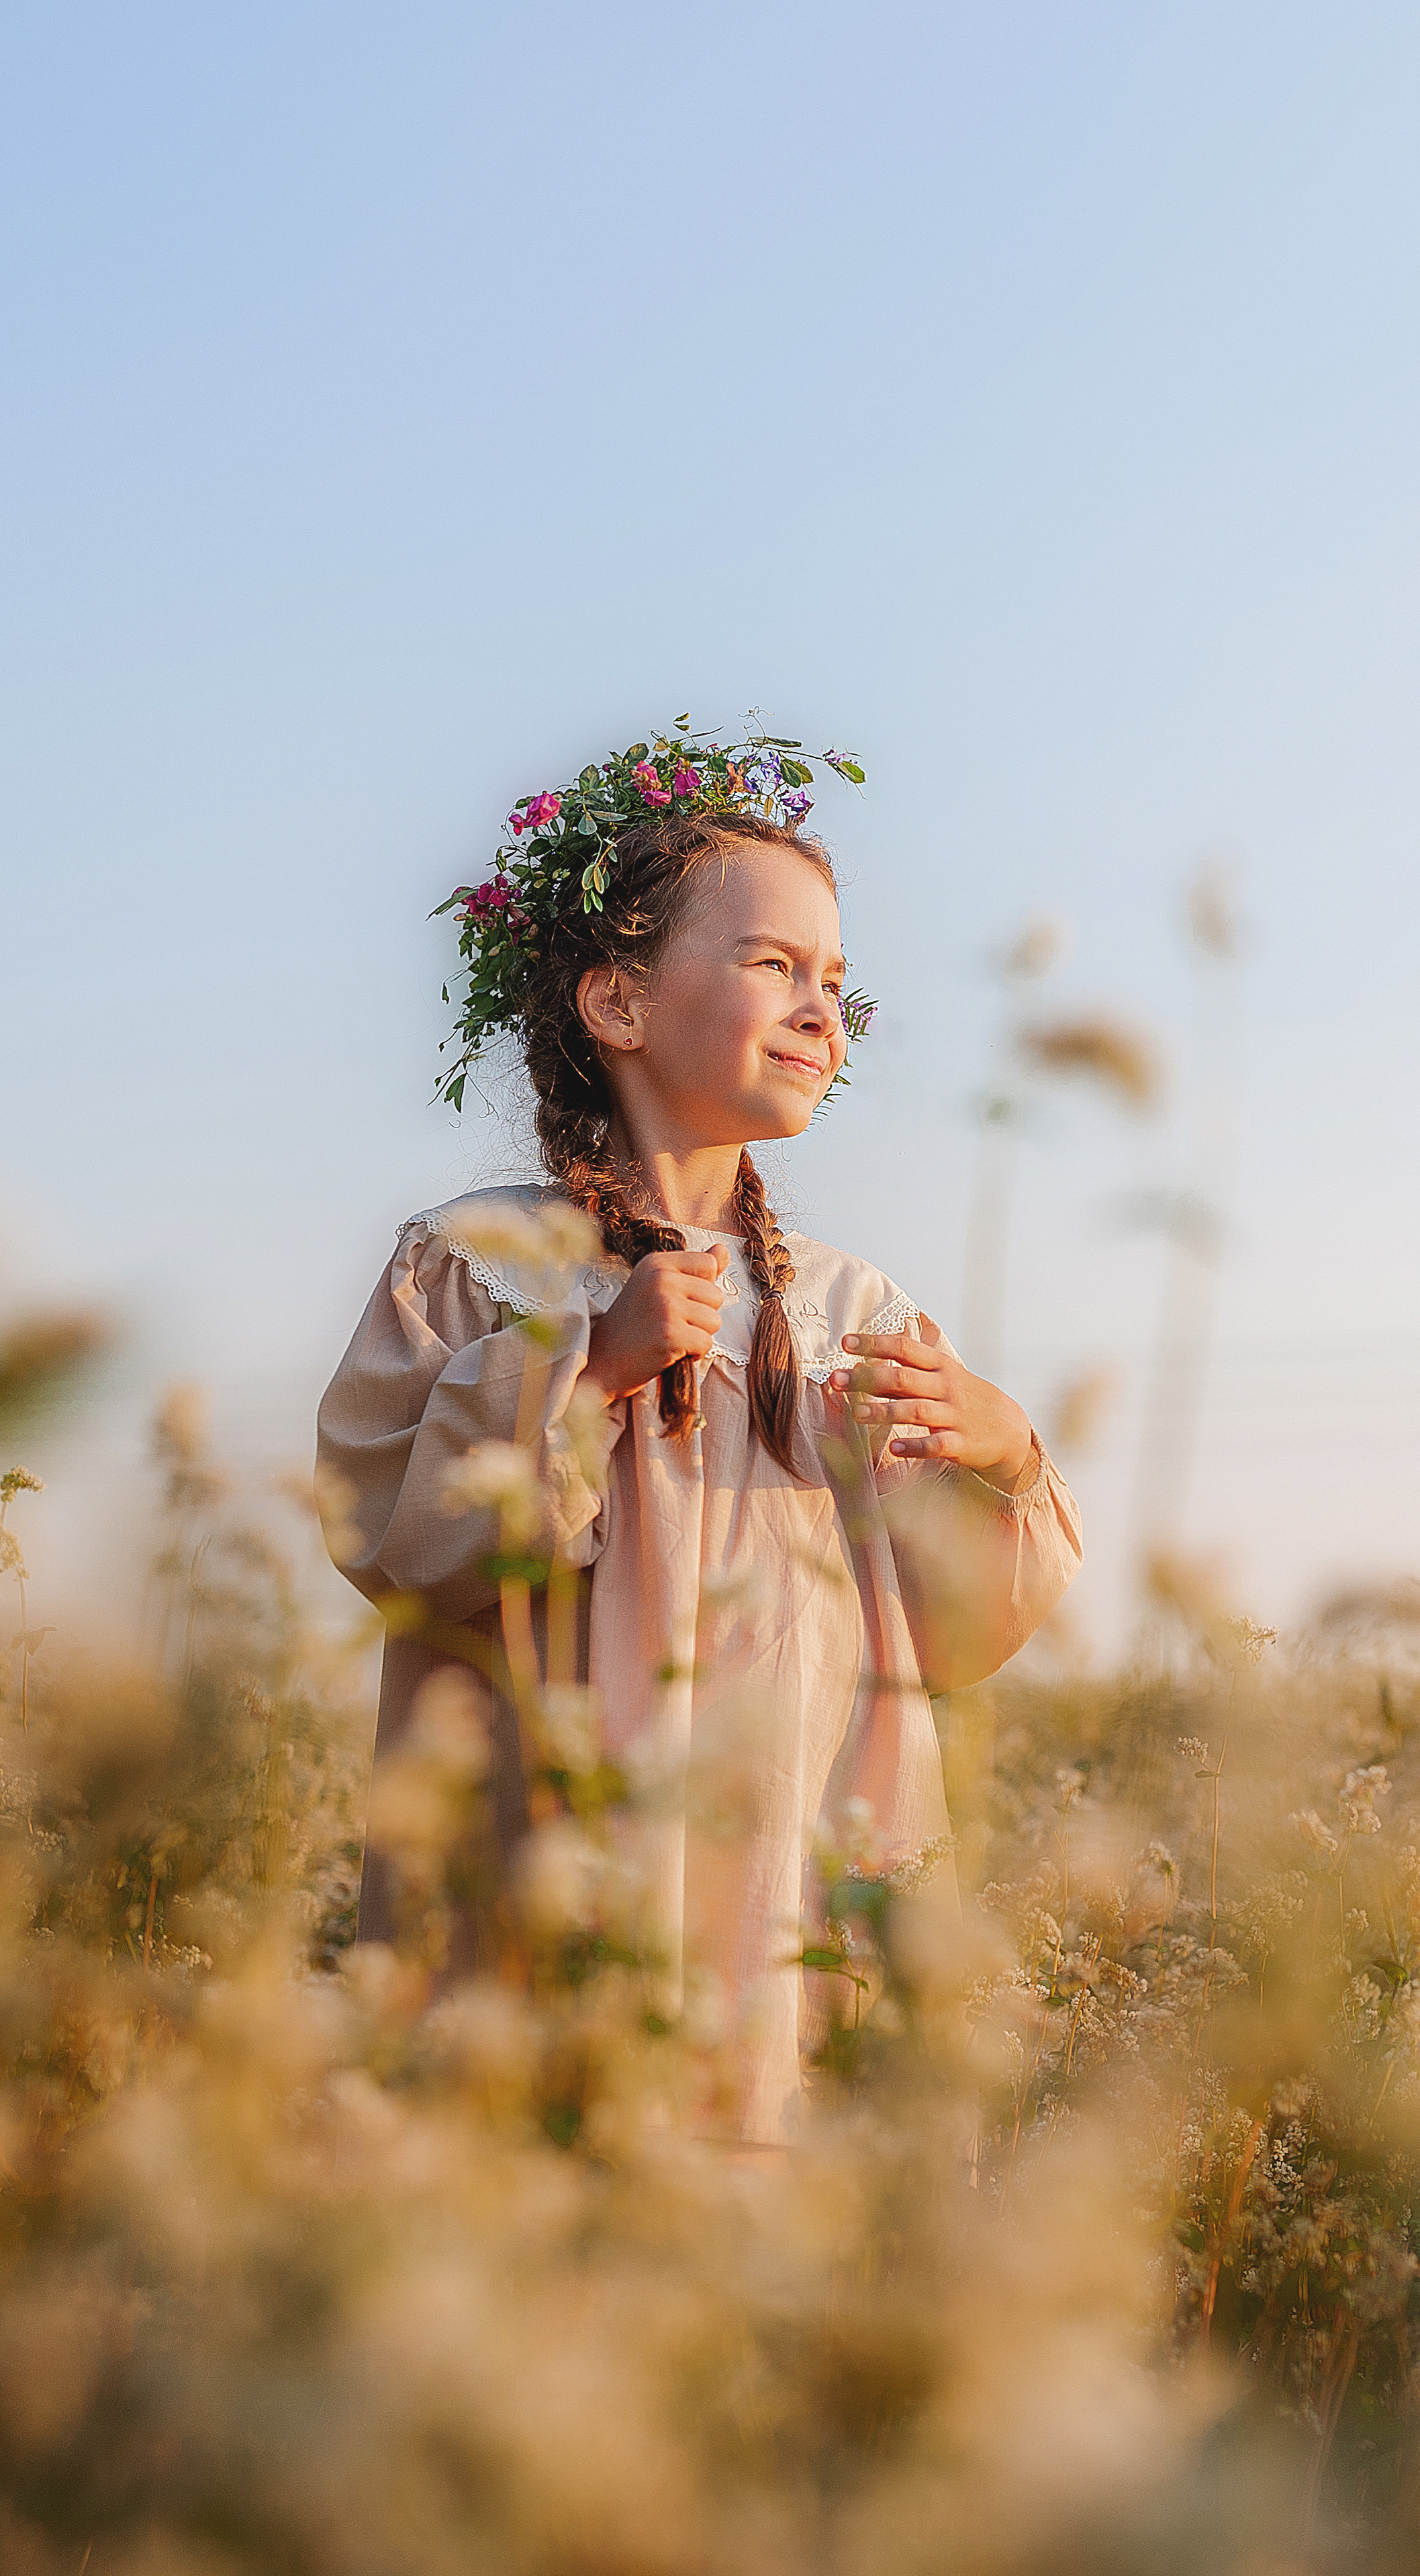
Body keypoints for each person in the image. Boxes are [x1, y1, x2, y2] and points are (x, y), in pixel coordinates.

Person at [316, 726, 1082, 2141]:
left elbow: (956, 1634)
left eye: (837, 984)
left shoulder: (854, 1310)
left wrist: (1006, 1455)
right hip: (554, 1877)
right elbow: (396, 1540)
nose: (820, 1011)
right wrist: (586, 1373)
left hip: (791, 1885)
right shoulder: (480, 1267)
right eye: (772, 965)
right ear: (616, 997)